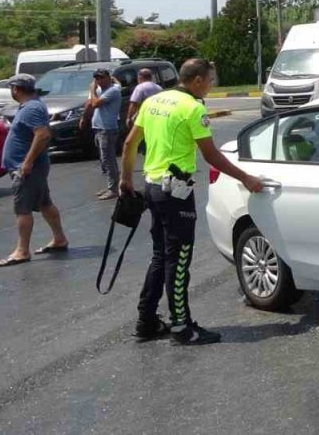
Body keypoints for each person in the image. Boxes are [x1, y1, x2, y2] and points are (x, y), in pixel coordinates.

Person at [119, 59, 264, 344]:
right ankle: (181, 327)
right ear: (197, 80)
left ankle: (146, 321)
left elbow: (129, 144)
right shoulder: (193, 108)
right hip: (175, 193)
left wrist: (125, 180)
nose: (211, 85)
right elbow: (211, 156)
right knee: (179, 260)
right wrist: (245, 177)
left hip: (151, 186)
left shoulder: (154, 101)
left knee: (161, 255)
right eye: (210, 80)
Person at [0, 75, 69, 268]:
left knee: (22, 208)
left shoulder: (32, 108)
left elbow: (43, 135)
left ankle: (22, 251)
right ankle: (59, 239)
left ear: (16, 89)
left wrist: (27, 162)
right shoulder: (32, 106)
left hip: (27, 168)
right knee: (44, 203)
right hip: (30, 166)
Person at [86, 68, 123, 201]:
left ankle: (113, 189)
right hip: (98, 128)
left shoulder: (113, 91)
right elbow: (119, 83)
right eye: (97, 78)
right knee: (104, 159)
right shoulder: (106, 89)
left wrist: (92, 89)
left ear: (108, 78)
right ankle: (111, 186)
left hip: (107, 129)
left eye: (102, 78)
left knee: (108, 160)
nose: (99, 81)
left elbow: (95, 103)